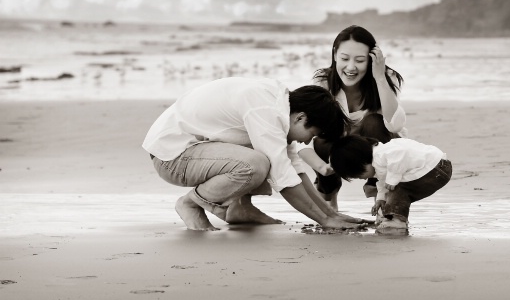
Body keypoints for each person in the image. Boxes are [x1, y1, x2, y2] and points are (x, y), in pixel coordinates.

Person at [142, 76, 364, 231]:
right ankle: (191, 203)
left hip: (195, 150)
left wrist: (331, 214)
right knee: (256, 165)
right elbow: (283, 178)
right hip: (173, 156)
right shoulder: (264, 109)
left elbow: (293, 168)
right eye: (311, 133)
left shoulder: (279, 106)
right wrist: (324, 221)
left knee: (267, 158)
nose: (307, 141)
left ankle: (240, 209)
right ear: (300, 118)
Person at [297, 25, 406, 211]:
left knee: (374, 123)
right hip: (337, 147)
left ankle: (380, 197)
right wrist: (322, 167)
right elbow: (303, 135)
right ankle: (329, 195)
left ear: (372, 60)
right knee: (322, 135)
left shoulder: (385, 78)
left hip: (376, 148)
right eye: (344, 59)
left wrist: (379, 78)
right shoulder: (324, 81)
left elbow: (395, 125)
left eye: (360, 60)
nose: (351, 67)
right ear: (334, 55)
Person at [329, 135, 452, 234]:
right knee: (392, 188)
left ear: (362, 162)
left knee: (397, 188)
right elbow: (383, 183)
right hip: (436, 168)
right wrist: (380, 199)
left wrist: (393, 179)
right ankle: (391, 216)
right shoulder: (379, 163)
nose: (363, 179)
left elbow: (401, 153)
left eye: (359, 175)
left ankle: (397, 220)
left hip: (435, 169)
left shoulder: (382, 154)